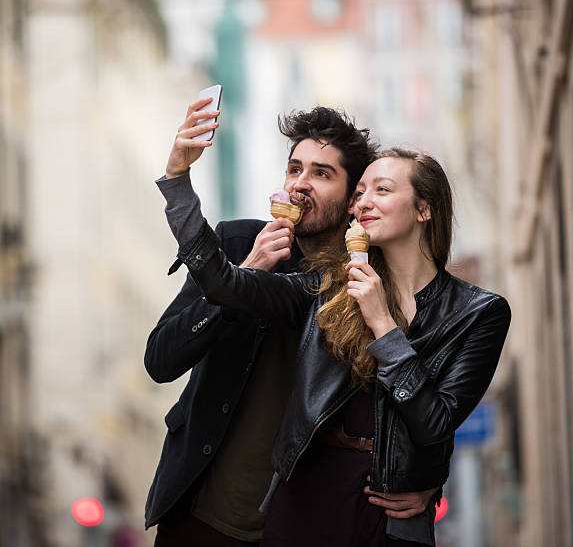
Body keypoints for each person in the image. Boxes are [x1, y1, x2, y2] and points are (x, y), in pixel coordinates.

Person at [165, 141, 512, 547]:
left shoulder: (478, 313)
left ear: (424, 208)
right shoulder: (330, 287)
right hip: (306, 499)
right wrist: (177, 183)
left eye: (381, 190)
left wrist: (382, 323)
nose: (363, 202)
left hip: (391, 510)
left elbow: (435, 424)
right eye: (360, 193)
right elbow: (224, 284)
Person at [145, 96, 438, 546]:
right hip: (203, 514)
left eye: (322, 174)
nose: (301, 184)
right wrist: (247, 273)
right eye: (294, 169)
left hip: (307, 522)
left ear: (352, 199)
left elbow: (418, 394)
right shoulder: (236, 241)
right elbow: (161, 360)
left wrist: (429, 476)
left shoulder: (367, 282)